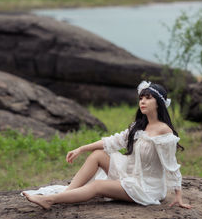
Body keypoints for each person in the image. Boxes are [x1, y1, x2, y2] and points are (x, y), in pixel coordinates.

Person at [22, 81, 191, 210]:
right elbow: (111, 141)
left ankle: (49, 200)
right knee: (97, 154)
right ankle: (66, 194)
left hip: (147, 187)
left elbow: (171, 165)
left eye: (148, 98)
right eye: (141, 98)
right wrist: (81, 149)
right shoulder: (138, 126)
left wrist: (178, 196)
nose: (143, 102)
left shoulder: (164, 131)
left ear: (159, 103)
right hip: (131, 173)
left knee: (97, 186)